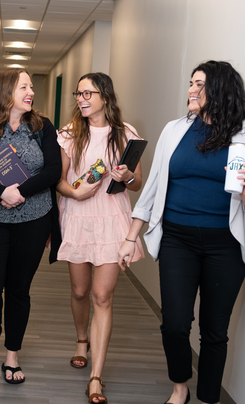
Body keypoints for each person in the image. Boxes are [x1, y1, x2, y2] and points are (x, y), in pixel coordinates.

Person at [118, 61, 245, 404]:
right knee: (174, 322)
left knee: (215, 331)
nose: (190, 90)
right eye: (190, 83)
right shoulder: (175, 130)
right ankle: (180, 387)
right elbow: (153, 188)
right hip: (177, 239)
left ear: (218, 89)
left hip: (225, 245)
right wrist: (131, 237)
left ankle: (209, 397)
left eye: (198, 84)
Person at [0, 69, 61, 385]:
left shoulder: (42, 127)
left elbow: (53, 170)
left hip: (32, 219)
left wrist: (20, 192)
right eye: (24, 86)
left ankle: (13, 353)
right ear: (6, 91)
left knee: (19, 289)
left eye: (32, 86)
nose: (31, 91)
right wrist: (0, 192)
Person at [55, 72, 144, 404]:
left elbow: (136, 184)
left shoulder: (126, 134)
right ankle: (82, 339)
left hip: (112, 218)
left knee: (101, 295)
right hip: (78, 216)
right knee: (79, 291)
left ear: (105, 97)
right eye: (79, 93)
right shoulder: (67, 134)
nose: (81, 98)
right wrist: (75, 196)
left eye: (88, 93)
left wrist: (127, 175)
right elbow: (60, 182)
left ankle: (96, 377)